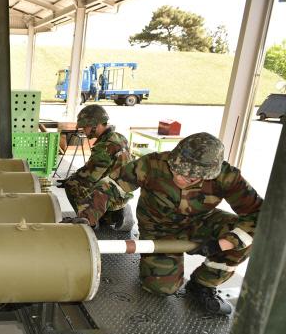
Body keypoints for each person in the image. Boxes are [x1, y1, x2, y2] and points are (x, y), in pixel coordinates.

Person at [76, 132, 263, 315]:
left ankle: (203, 285)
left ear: (208, 175)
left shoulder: (227, 177)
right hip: (159, 229)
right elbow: (109, 187)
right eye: (176, 170)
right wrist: (86, 217)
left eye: (189, 178)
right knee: (161, 288)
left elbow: (259, 214)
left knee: (243, 240)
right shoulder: (152, 164)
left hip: (201, 222)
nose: (179, 178)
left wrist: (222, 244)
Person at [58, 104, 133, 229]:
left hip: (111, 193)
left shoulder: (104, 146)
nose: (83, 130)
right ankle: (116, 213)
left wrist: (71, 178)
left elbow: (90, 176)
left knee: (73, 184)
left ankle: (88, 220)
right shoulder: (119, 137)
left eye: (85, 127)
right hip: (123, 190)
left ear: (94, 125)